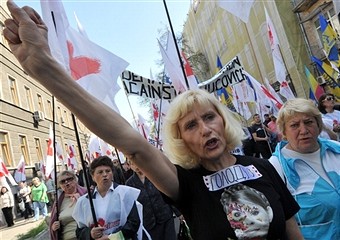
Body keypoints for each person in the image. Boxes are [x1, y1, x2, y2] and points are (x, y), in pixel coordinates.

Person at [3, 2, 303, 239]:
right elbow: (133, 145)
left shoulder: (262, 167)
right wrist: (44, 68)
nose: (205, 129)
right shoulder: (185, 182)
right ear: (180, 139)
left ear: (223, 122)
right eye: (190, 126)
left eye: (209, 117)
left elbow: (293, 232)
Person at [269, 98, 340, 240]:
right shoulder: (276, 167)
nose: (304, 130)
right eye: (294, 125)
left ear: (318, 124)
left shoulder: (336, 148)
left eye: (308, 122)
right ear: (284, 131)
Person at [72, 156, 146, 239]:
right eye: (100, 172)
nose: (105, 174)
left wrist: (111, 238)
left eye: (108, 171)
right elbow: (79, 231)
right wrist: (90, 234)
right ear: (93, 177)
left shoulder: (125, 193)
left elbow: (134, 222)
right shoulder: (84, 201)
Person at [126, 159, 177, 240]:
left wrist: (178, 212)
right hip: (148, 222)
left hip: (165, 216)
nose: (136, 165)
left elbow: (167, 193)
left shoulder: (154, 174)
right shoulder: (129, 183)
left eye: (137, 162)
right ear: (129, 165)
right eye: (132, 163)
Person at [49, 170, 87, 240]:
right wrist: (54, 227)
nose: (67, 183)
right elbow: (53, 222)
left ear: (75, 180)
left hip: (86, 236)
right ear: (60, 185)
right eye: (63, 181)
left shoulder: (86, 194)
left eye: (69, 179)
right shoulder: (58, 202)